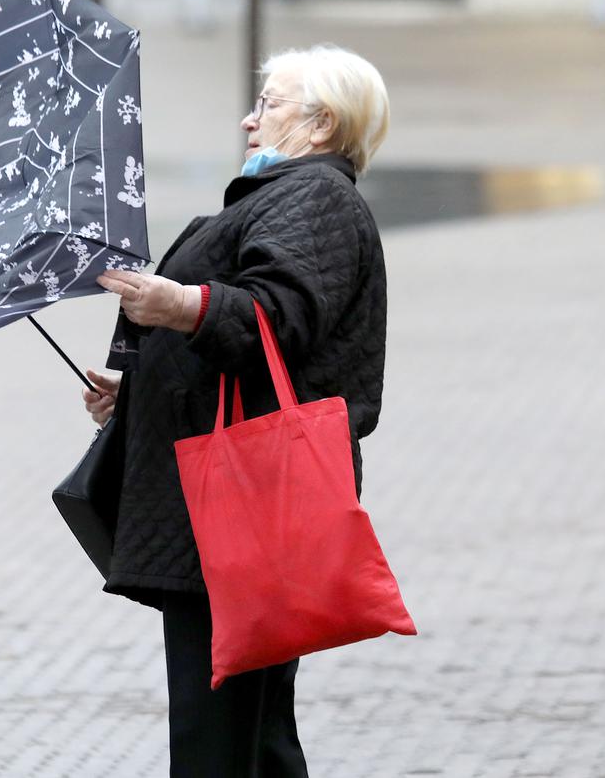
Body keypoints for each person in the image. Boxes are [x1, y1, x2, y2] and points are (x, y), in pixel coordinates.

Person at [83, 43, 390, 777]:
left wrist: (179, 303)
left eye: (270, 105)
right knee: (256, 734)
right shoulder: (285, 195)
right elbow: (248, 348)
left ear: (321, 126)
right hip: (238, 499)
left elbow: (274, 318)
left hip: (242, 504)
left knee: (217, 733)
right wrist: (138, 392)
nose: (250, 120)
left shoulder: (314, 197)